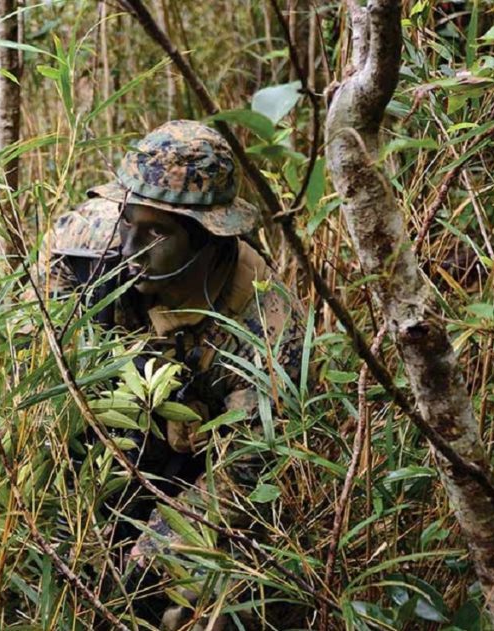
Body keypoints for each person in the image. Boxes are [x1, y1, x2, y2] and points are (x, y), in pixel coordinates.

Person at [48, 120, 305, 629]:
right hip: (110, 438)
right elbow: (46, 347)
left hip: (201, 470)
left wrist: (147, 564)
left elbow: (241, 474)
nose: (130, 246)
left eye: (157, 233)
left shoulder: (267, 325)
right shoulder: (88, 243)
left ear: (207, 239)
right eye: (128, 221)